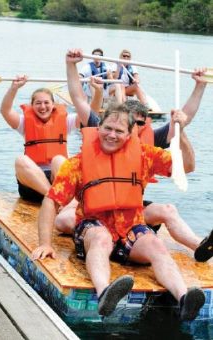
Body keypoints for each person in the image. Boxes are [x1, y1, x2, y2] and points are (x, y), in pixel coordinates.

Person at [31, 102, 205, 320]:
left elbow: (186, 167)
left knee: (156, 245)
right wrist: (45, 243)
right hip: (94, 226)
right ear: (99, 128)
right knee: (101, 238)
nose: (112, 135)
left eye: (119, 131)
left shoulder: (143, 156)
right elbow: (51, 202)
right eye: (108, 128)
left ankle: (184, 299)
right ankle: (105, 293)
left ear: (129, 134)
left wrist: (183, 133)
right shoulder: (77, 164)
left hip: (130, 229)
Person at [56, 49, 213, 263]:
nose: (136, 127)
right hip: (98, 209)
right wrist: (71, 66)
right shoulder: (107, 131)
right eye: (133, 122)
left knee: (168, 210)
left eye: (141, 123)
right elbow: (78, 99)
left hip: (132, 210)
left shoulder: (150, 141)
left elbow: (185, 118)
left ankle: (201, 246)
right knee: (64, 220)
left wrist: (200, 85)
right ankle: (99, 240)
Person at [0, 75, 96, 202]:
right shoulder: (24, 123)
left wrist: (98, 91)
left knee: (60, 160)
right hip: (33, 186)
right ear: (32, 105)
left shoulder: (66, 121)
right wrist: (14, 88)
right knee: (20, 160)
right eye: (38, 103)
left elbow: (90, 114)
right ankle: (53, 197)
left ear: (53, 105)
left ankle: (55, 198)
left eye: (46, 102)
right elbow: (5, 111)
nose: (42, 107)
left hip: (58, 181)